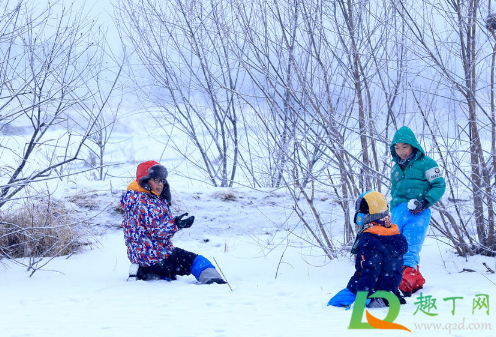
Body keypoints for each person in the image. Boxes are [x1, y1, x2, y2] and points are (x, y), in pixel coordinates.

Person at [121, 160, 226, 284]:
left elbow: (150, 227)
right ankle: (214, 282)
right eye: (156, 180)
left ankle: (147, 272)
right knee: (197, 261)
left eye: (162, 180)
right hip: (157, 256)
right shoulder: (147, 202)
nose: (160, 184)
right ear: (145, 181)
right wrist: (177, 224)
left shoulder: (134, 199)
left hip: (140, 256)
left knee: (170, 272)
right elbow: (159, 232)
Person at [390, 126, 446, 296]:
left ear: (413, 145)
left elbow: (439, 185)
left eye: (404, 147)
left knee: (410, 247)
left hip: (418, 212)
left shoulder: (428, 164)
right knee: (395, 248)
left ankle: (405, 282)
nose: (401, 152)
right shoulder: (396, 168)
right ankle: (408, 278)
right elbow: (394, 191)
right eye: (397, 148)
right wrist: (393, 209)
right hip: (398, 212)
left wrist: (425, 202)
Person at [328, 191, 408, 308]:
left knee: (334, 304)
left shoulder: (370, 238)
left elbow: (370, 271)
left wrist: (362, 299)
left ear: (368, 216)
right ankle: (387, 296)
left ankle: (377, 301)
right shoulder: (395, 234)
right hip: (387, 288)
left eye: (360, 211)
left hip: (369, 290)